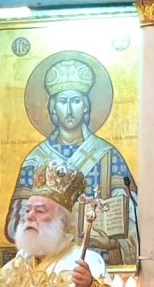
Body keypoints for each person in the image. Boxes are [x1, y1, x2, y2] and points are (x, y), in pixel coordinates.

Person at [14, 58, 140, 266]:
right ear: (53, 108)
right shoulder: (34, 160)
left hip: (97, 261)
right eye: (63, 102)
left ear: (86, 106)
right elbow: (14, 224)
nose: (69, 110)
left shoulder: (108, 157)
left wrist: (109, 237)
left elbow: (132, 221)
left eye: (76, 101)